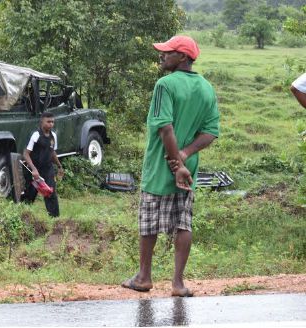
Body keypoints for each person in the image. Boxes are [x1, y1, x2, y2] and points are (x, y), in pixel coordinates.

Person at [122, 35, 220, 297]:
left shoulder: (164, 85)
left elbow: (166, 128)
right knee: (183, 223)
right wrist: (186, 156)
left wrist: (175, 164)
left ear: (184, 57)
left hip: (161, 167)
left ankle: (144, 277)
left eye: (169, 52)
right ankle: (177, 284)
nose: (162, 55)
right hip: (188, 170)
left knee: (149, 224)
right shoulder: (206, 88)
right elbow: (210, 132)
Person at [22, 112, 64, 217]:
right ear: (42, 122)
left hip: (48, 169)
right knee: (30, 193)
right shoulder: (36, 135)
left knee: (50, 191)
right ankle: (23, 213)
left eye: (53, 122)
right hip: (34, 170)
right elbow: (26, 154)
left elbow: (53, 152)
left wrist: (59, 166)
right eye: (48, 122)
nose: (51, 124)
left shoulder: (53, 136)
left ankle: (54, 218)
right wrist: (34, 170)